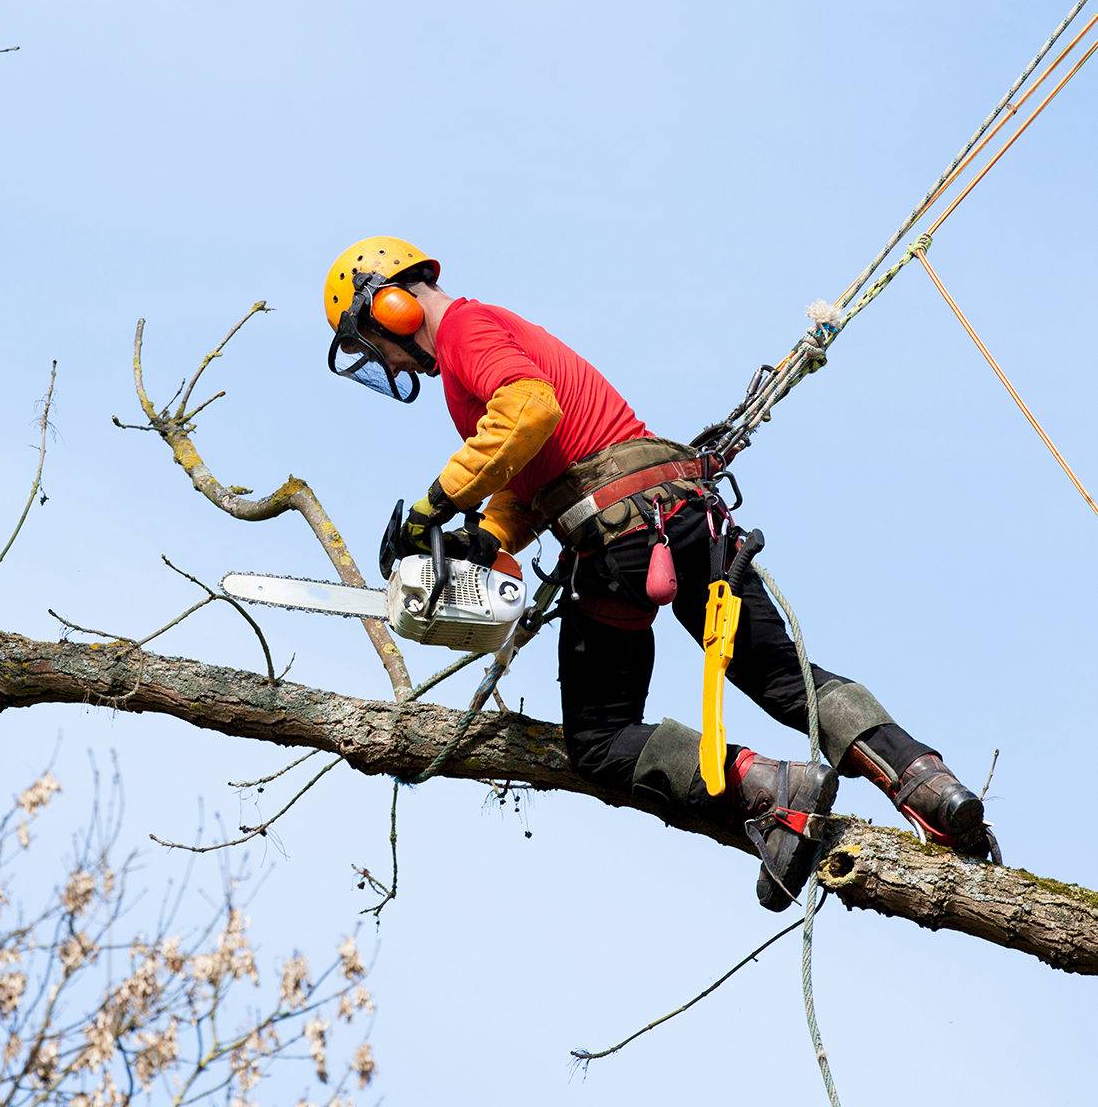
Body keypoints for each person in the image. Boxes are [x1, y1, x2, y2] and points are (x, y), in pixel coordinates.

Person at [323, 236, 991, 909]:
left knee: (601, 737)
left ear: (391, 305)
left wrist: (433, 507)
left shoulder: (466, 328)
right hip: (686, 518)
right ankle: (927, 782)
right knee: (776, 671)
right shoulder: (490, 334)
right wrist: (487, 535)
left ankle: (768, 789)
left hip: (622, 541)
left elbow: (530, 411)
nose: (381, 357)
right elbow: (532, 471)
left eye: (369, 341)